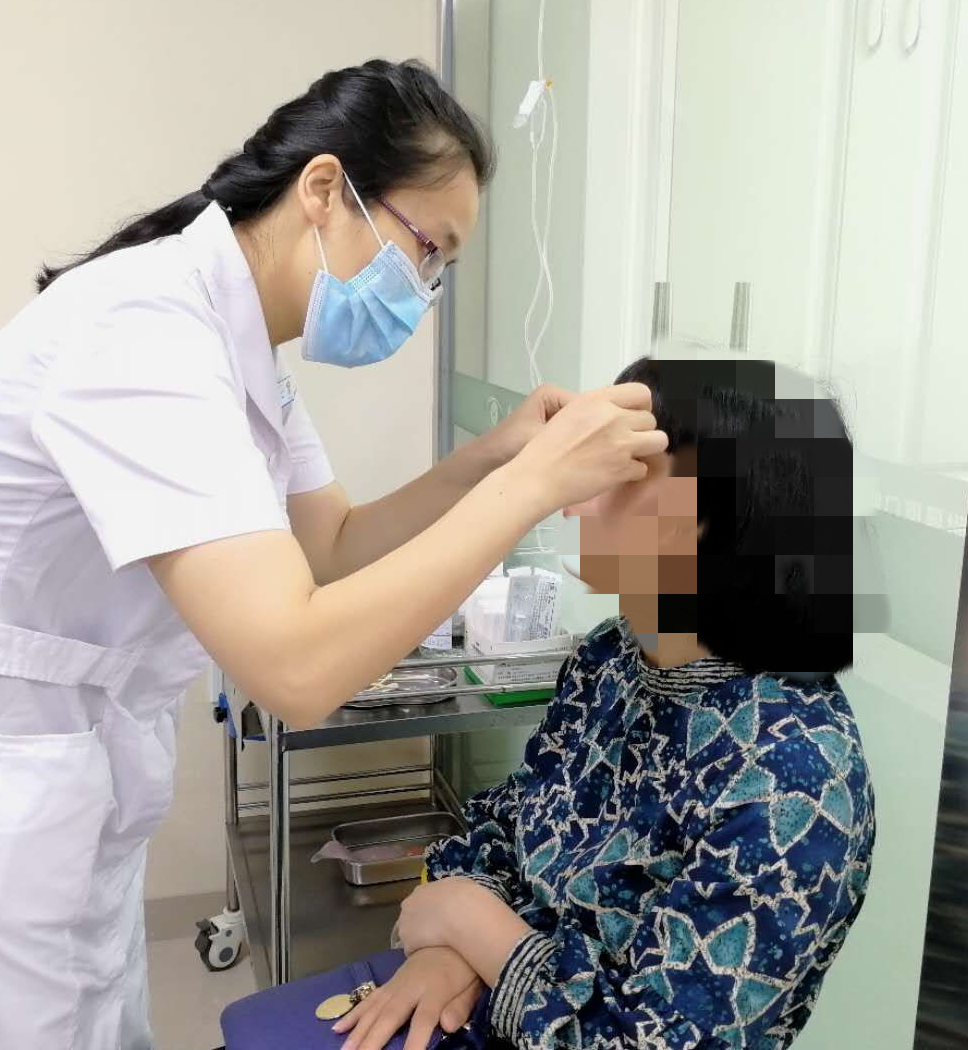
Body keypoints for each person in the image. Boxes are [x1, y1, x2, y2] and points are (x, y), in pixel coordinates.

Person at [0, 60, 666, 1050]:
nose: (423, 294)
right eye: (425, 252)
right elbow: (295, 669)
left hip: (59, 796)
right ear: (325, 189)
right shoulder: (145, 332)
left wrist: (493, 457)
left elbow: (332, 546)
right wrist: (528, 488)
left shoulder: (242, 352)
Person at [333, 358, 875, 1050]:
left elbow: (646, 1039)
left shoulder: (793, 778)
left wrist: (472, 925)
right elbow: (508, 826)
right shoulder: (612, 658)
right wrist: (448, 953)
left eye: (616, 463)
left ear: (694, 517)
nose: (569, 497)